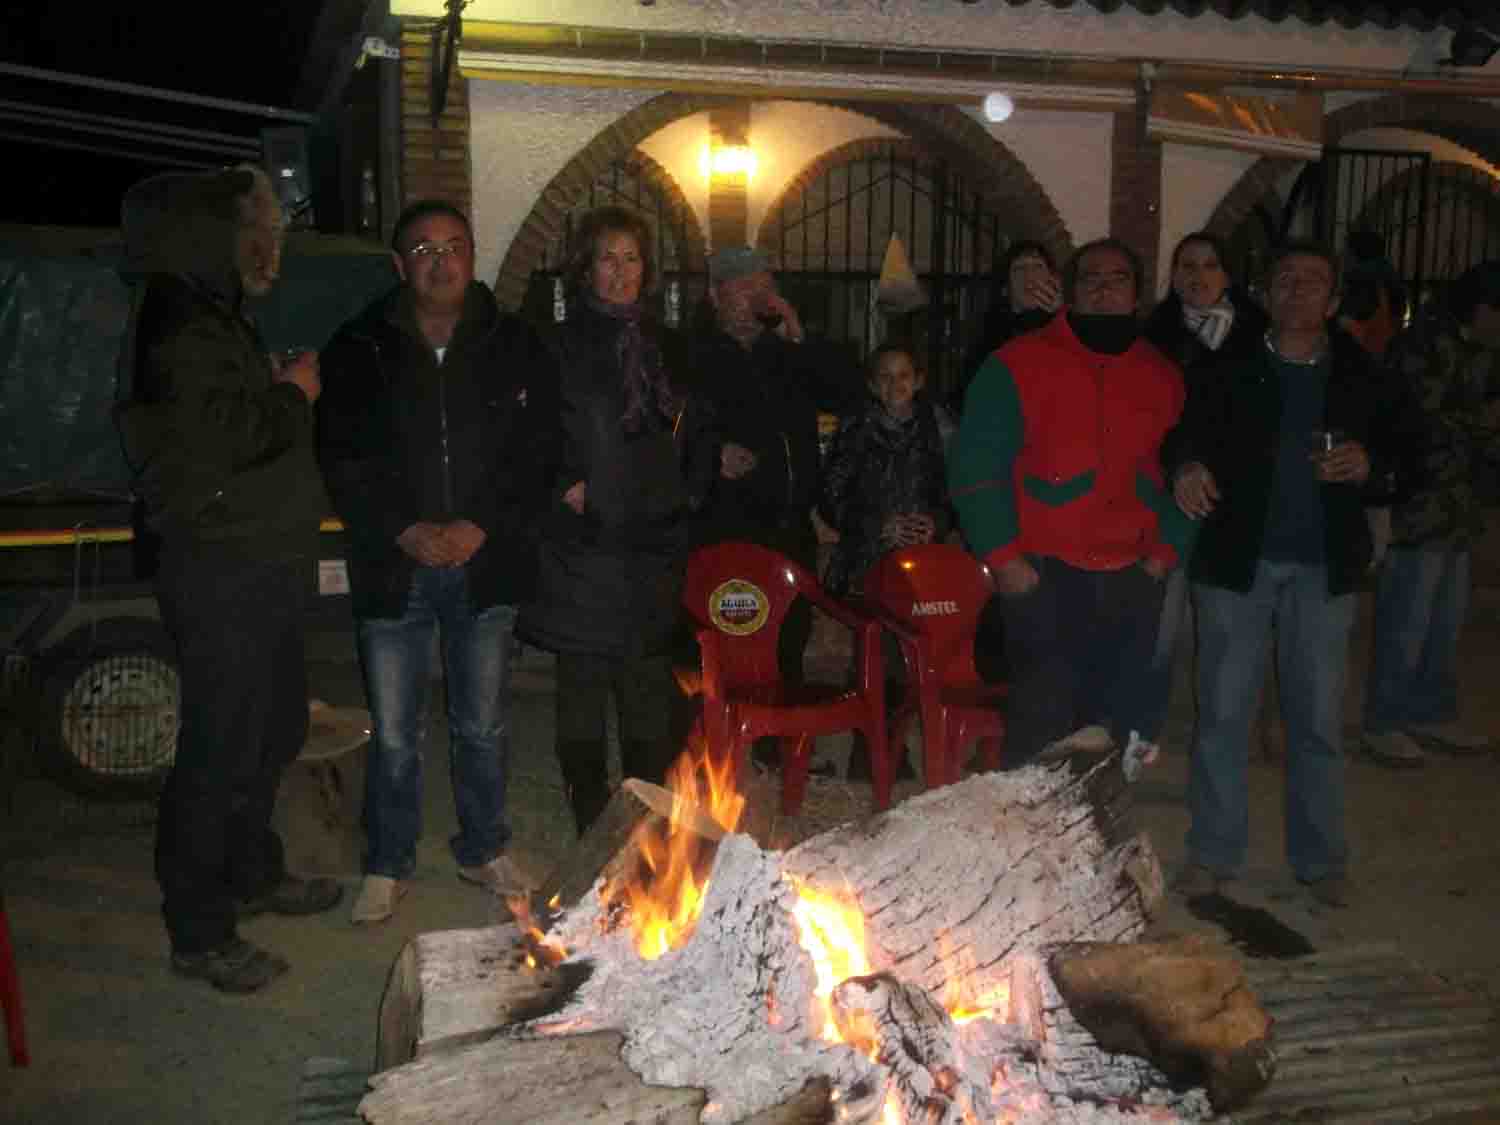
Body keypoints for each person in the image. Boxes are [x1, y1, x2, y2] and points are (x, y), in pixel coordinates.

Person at [115, 165, 340, 993]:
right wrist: (294, 393)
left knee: (273, 726)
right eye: (262, 228)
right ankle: (200, 929)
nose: (271, 244)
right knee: (218, 748)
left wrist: (270, 382)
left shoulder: (211, 315)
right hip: (220, 570)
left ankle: (254, 870)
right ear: (218, 234)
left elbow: (222, 421)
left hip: (257, 560)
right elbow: (224, 441)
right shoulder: (180, 323)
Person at [317, 200, 562, 925]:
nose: (441, 261)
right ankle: (387, 861)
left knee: (480, 723)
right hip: (395, 570)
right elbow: (341, 455)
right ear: (400, 265)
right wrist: (401, 529)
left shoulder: (516, 343)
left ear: (473, 253)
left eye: (454, 246)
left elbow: (539, 452)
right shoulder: (357, 347)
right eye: (423, 250)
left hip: (483, 567)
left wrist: (481, 526)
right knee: (393, 732)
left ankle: (482, 847)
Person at [1166, 241, 1418, 908]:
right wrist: (1186, 468)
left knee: (1316, 719)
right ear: (1266, 293)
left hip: (1323, 567)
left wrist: (1372, 465)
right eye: (1283, 280)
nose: (1296, 291)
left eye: (1311, 283)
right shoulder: (1228, 367)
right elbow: (1181, 435)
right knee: (1222, 713)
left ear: (1333, 302)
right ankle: (1211, 854)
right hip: (1236, 563)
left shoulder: (1365, 376)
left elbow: (1410, 453)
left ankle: (1321, 859)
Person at [949, 237, 1189, 774]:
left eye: (1118, 279)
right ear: (1070, 294)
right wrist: (1006, 563)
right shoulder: (1015, 365)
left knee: (1113, 732)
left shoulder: (1165, 376)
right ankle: (1031, 854)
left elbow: (1186, 473)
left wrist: (1163, 557)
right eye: (1091, 280)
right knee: (1040, 732)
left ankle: (1096, 849)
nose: (1104, 289)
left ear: (1138, 295)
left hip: (1135, 576)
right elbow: (973, 471)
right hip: (1043, 576)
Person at [518, 205, 710, 835]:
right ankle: (588, 811)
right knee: (583, 684)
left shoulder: (668, 345)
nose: (621, 271)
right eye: (608, 257)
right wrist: (566, 487)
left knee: (646, 686)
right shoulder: (556, 343)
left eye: (632, 258)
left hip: (652, 542)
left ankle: (644, 814)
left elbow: (692, 431)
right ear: (586, 268)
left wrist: (688, 492)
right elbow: (528, 435)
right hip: (583, 546)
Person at [687, 246, 846, 698]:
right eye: (745, 288)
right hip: (727, 526)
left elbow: (847, 394)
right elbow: (668, 432)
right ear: (716, 297)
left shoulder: (787, 353)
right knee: (730, 639)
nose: (758, 298)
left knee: (788, 637)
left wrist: (800, 335)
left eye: (766, 287)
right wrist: (712, 453)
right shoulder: (691, 355)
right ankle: (725, 747)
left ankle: (782, 746)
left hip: (790, 526)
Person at [1362, 259, 1500, 768]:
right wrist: (1485, 421)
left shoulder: (1479, 351)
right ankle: (1385, 721)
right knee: (1407, 618)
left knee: (1445, 621)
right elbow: (1416, 422)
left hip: (1458, 506)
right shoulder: (1423, 344)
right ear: (1483, 308)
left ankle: (1432, 711)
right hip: (1420, 506)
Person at [1141, 232, 1270, 753]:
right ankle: (1140, 733)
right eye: (1187, 265)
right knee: (1158, 631)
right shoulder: (1152, 335)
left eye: (1210, 265)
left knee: (1228, 634)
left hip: (1235, 503)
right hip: (1168, 497)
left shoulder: (1260, 334)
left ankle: (1225, 738)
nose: (1198, 276)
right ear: (1172, 276)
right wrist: (1178, 465)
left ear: (1227, 276)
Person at [818, 342, 951, 598]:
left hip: (924, 560)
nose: (895, 384)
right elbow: (830, 498)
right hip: (864, 565)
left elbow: (955, 490)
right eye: (885, 377)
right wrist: (877, 525)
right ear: (872, 384)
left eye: (903, 376)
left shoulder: (941, 429)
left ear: (918, 380)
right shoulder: (853, 431)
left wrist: (937, 522)